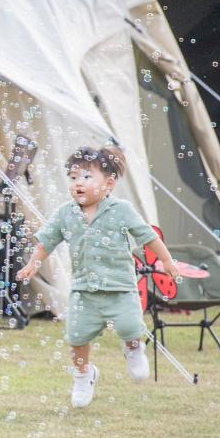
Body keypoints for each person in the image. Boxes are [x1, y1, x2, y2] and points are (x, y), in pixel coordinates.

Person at [16, 146, 180, 409]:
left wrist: (167, 259)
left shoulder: (121, 210)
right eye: (73, 177)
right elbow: (46, 241)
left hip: (120, 287)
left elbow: (147, 237)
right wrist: (33, 263)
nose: (78, 183)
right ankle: (83, 374)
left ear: (109, 184)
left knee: (129, 325)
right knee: (76, 336)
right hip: (84, 290)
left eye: (86, 177)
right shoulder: (65, 213)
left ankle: (133, 347)